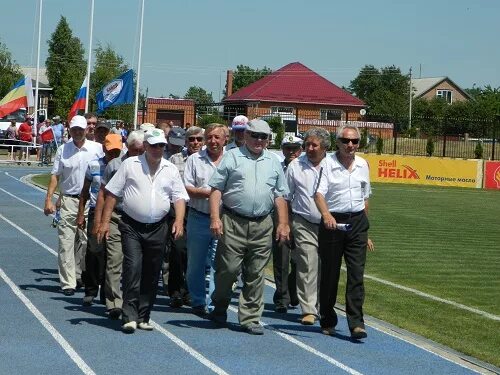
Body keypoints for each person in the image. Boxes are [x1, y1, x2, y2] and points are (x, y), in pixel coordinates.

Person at [97, 128, 188, 333]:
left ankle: (143, 316)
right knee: (133, 267)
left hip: (158, 227)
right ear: (145, 146)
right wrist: (103, 223)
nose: (157, 149)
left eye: (161, 146)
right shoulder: (130, 165)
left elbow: (179, 197)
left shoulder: (170, 169)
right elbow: (111, 194)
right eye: (154, 145)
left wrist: (179, 221)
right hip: (131, 226)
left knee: (152, 271)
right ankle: (128, 316)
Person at [208, 119, 290, 335]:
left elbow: (280, 194)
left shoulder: (274, 162)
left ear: (268, 140)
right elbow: (216, 189)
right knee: (228, 270)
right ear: (245, 136)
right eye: (254, 135)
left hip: (263, 224)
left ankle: (250, 317)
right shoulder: (232, 157)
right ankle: (220, 304)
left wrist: (283, 223)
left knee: (256, 272)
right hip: (233, 221)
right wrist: (215, 218)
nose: (259, 140)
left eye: (264, 137)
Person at [314, 124, 374, 339]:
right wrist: (327, 215)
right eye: (346, 141)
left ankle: (356, 323)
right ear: (337, 142)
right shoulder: (327, 164)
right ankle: (328, 318)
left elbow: (365, 197)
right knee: (330, 274)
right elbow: (319, 195)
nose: (350, 145)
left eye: (354, 141)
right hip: (333, 223)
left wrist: (366, 230)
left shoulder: (363, 165)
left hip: (357, 222)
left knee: (356, 274)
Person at [43, 115, 103, 295]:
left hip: (90, 202)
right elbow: (55, 175)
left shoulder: (97, 149)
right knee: (66, 242)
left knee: (87, 243)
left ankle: (82, 274)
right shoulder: (63, 149)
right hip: (69, 199)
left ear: (86, 130)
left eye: (80, 129)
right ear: (70, 129)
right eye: (74, 129)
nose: (77, 132)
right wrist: (49, 199)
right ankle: (68, 283)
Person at [92, 130, 145, 320]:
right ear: (127, 148)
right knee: (115, 259)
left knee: (135, 263)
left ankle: (133, 301)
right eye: (134, 150)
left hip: (138, 220)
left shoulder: (149, 165)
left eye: (141, 150)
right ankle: (114, 302)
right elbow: (102, 194)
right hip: (116, 216)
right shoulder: (115, 165)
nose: (138, 154)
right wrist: (99, 222)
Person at [286, 129, 329, 325]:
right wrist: (285, 223)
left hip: (330, 225)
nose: (309, 149)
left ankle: (323, 306)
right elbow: (286, 196)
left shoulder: (333, 165)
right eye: (307, 145)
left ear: (325, 147)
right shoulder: (295, 166)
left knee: (326, 267)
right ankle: (309, 309)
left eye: (314, 145)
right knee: (307, 264)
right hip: (303, 222)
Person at [184, 123, 226, 315]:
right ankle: (198, 301)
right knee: (195, 263)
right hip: (198, 217)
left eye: (217, 137)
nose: (212, 141)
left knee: (220, 263)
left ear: (225, 139)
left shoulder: (232, 159)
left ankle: (214, 303)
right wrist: (212, 194)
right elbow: (187, 188)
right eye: (209, 137)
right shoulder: (194, 160)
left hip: (224, 219)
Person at [77, 134, 122, 306]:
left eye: (117, 151)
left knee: (112, 255)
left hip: (116, 213)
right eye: (111, 152)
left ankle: (107, 292)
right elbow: (85, 192)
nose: (114, 155)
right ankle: (91, 289)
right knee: (94, 250)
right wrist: (81, 214)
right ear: (104, 149)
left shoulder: (125, 165)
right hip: (97, 210)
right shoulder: (94, 165)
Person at [165, 126, 204, 308]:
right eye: (191, 139)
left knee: (193, 254)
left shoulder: (206, 159)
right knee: (177, 250)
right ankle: (175, 291)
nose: (195, 143)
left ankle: (190, 291)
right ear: (186, 142)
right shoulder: (175, 159)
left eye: (198, 139)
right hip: (178, 210)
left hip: (198, 211)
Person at [272, 135, 303, 313]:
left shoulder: (306, 166)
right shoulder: (276, 166)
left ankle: (292, 289)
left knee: (300, 261)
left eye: (295, 148)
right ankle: (281, 297)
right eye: (288, 148)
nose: (291, 152)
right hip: (280, 216)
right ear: (282, 149)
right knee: (281, 258)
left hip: (301, 217)